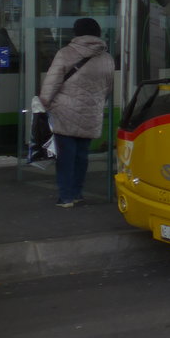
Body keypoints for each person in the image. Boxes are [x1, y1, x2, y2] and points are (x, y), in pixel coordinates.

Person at [39, 18, 114, 207]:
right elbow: (108, 88)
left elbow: (52, 82)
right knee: (82, 156)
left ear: (76, 32)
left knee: (65, 157)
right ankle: (77, 193)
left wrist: (44, 103)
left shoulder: (66, 53)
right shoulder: (107, 58)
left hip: (65, 111)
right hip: (91, 112)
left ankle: (65, 197)